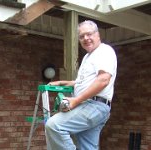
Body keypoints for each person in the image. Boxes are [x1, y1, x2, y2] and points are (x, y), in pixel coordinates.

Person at [45, 20, 117, 150]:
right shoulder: (88, 57)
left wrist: (76, 100)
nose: (86, 38)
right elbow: (82, 82)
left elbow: (103, 80)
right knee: (87, 147)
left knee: (54, 125)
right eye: (82, 36)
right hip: (93, 106)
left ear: (97, 35)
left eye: (89, 34)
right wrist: (63, 82)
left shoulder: (104, 51)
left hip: (93, 105)